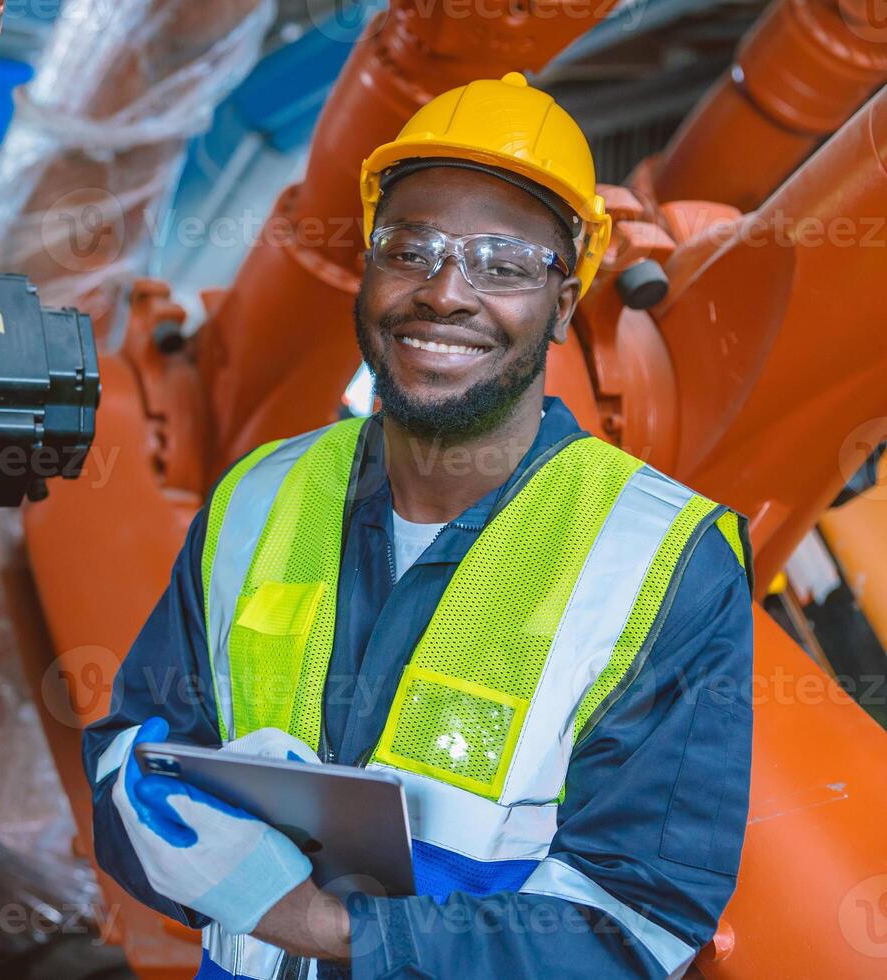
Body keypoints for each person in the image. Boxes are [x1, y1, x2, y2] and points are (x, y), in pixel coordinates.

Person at [83, 73, 753, 980]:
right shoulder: (257, 498)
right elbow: (129, 753)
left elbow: (636, 921)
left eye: (504, 265)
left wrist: (322, 923)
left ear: (562, 303)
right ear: (368, 269)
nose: (445, 292)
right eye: (411, 249)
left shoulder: (662, 560)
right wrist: (193, 827)